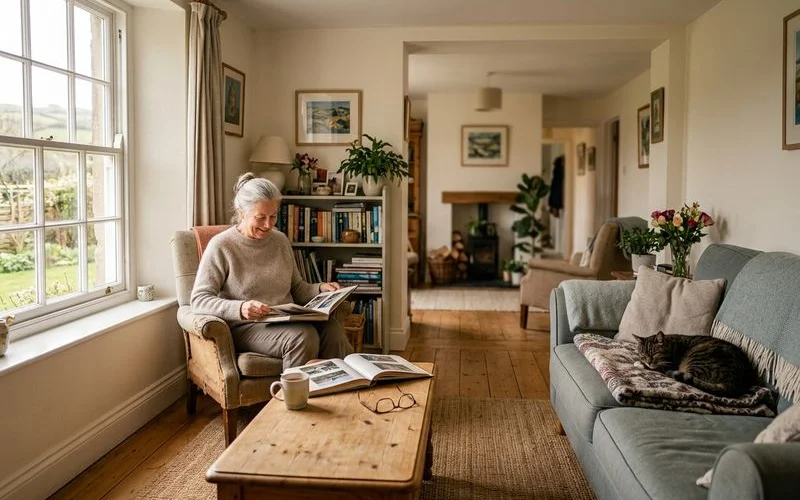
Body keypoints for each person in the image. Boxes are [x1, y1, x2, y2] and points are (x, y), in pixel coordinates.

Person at [191, 173, 353, 369]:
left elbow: (297, 288)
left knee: (332, 330)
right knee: (303, 336)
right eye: (260, 218)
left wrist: (321, 289)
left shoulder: (280, 240)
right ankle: (293, 398)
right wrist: (240, 308)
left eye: (273, 216)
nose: (268, 225)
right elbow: (199, 300)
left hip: (287, 319)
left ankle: (341, 392)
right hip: (248, 326)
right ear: (242, 212)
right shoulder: (222, 246)